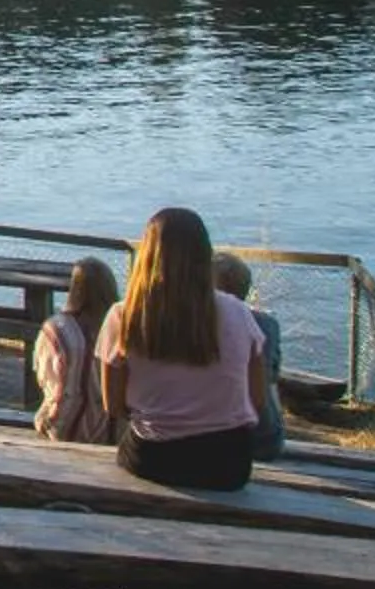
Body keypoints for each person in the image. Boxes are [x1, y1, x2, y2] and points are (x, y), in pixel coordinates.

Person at [94, 206, 270, 491]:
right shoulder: (238, 312)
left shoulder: (122, 316)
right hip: (228, 463)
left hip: (153, 457)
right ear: (205, 256)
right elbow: (258, 399)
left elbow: (112, 405)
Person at [30, 256, 120, 444]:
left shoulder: (55, 330)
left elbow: (44, 378)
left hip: (62, 429)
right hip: (111, 433)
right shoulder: (122, 329)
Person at [212, 251, 285, 461]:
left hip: (218, 438)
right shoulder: (267, 324)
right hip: (264, 437)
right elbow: (271, 376)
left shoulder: (197, 324)